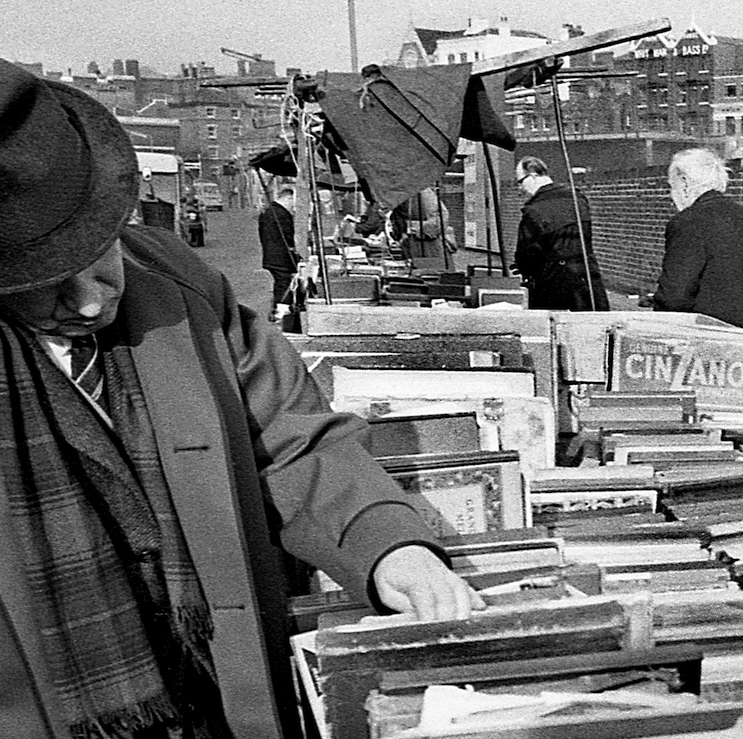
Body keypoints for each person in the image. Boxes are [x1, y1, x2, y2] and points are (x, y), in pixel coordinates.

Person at [0, 61, 484, 739]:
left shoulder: (178, 283)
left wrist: (387, 549)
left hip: (220, 705)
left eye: (100, 251)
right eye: (45, 278)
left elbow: (292, 436)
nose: (88, 300)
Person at [653, 148, 743, 327]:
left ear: (684, 181)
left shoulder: (688, 222)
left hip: (711, 336)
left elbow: (674, 296)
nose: (672, 195)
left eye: (672, 186)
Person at [514, 156, 609, 311]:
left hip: (553, 287)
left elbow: (528, 254)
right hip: (588, 282)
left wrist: (523, 268)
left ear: (533, 175)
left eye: (520, 182)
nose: (520, 188)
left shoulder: (534, 210)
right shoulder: (577, 198)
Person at [257, 187, 300, 320]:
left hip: (272, 255)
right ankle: (281, 312)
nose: (293, 206)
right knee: (284, 283)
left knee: (281, 282)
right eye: (293, 202)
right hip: (280, 257)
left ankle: (278, 310)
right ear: (288, 198)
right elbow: (288, 236)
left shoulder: (269, 212)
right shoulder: (280, 214)